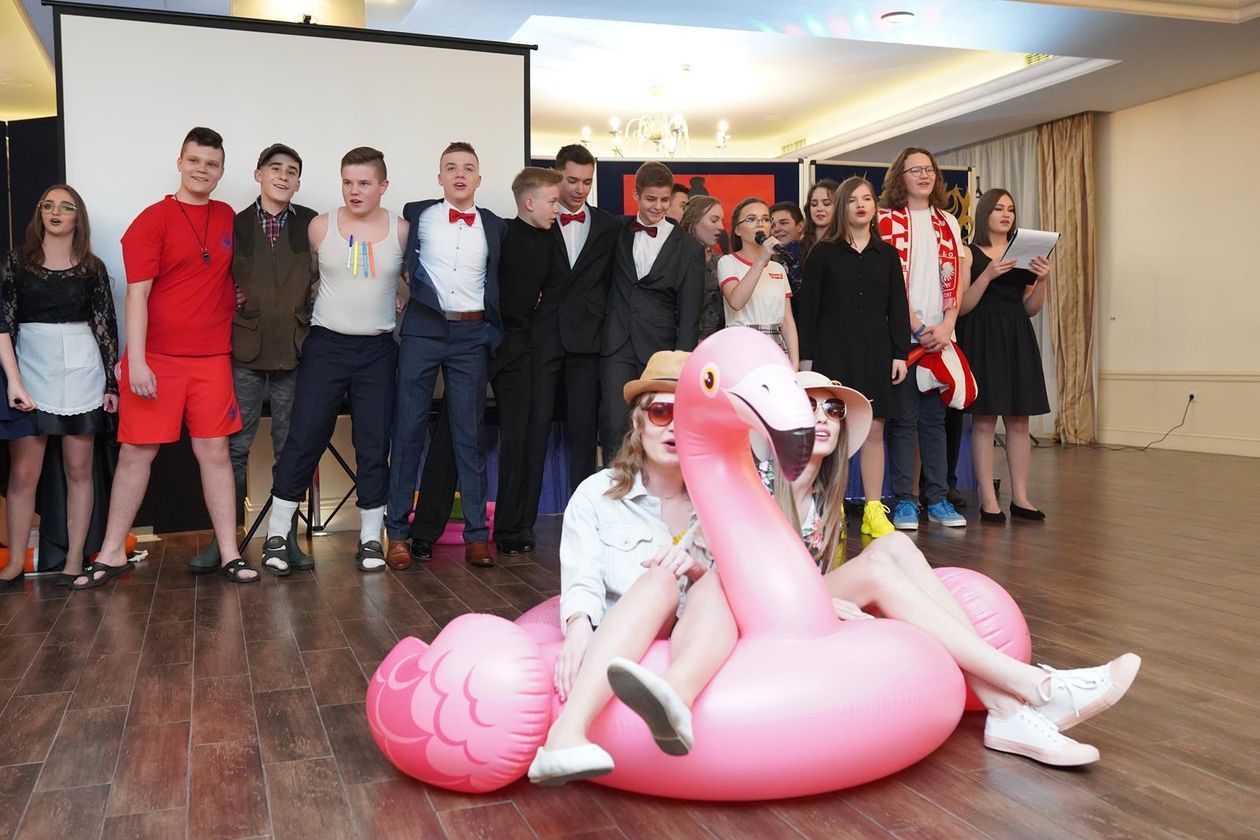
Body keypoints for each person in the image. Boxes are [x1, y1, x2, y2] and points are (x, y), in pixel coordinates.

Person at [770, 371, 1142, 767]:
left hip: (801, 602)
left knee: (895, 544)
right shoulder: (758, 484)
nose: (823, 416)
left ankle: (1008, 711)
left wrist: (824, 599)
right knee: (878, 565)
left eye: (833, 408)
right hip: (760, 612)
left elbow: (815, 573)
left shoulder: (825, 499)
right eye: (808, 406)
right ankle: (1037, 687)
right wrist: (820, 601)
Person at [527, 351, 736, 785]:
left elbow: (744, 590)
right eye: (661, 412)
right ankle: (565, 734)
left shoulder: (722, 502)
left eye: (689, 415)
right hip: (623, 632)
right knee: (660, 579)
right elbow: (581, 576)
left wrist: (698, 572)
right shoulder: (597, 495)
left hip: (694, 637)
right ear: (638, 422)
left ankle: (674, 695)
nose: (675, 426)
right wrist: (578, 627)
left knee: (714, 580)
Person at [71, 127, 254, 588]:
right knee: (137, 453)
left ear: (221, 171)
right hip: (157, 360)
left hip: (212, 360)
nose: (202, 170)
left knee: (215, 452)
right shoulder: (152, 220)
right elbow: (136, 294)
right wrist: (136, 361)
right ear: (179, 162)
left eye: (211, 164)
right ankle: (112, 552)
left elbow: (233, 275)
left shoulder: (228, 217)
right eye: (194, 161)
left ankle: (230, 553)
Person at [260, 147, 407, 574]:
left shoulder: (401, 230)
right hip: (325, 347)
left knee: (374, 444)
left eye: (364, 183)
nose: (354, 191)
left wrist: (400, 295)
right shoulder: (319, 226)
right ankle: (276, 535)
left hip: (377, 351)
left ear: (383, 186)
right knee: (304, 437)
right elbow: (302, 282)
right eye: (347, 182)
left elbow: (413, 283)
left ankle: (370, 539)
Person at [407, 167, 561, 559]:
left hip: (520, 346)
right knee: (451, 433)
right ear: (530, 202)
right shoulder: (499, 231)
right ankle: (424, 530)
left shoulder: (553, 239)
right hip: (482, 338)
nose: (558, 209)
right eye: (552, 201)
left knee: (519, 437)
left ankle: (510, 529)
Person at [190, 143, 317, 572]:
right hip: (244, 351)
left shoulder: (312, 224)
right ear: (259, 174)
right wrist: (230, 295)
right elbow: (209, 274)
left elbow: (329, 273)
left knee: (291, 449)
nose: (283, 176)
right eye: (275, 168)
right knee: (234, 448)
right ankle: (224, 541)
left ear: (298, 182)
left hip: (295, 352)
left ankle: (286, 538)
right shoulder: (234, 222)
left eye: (292, 171)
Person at [387, 142, 506, 569]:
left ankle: (476, 536)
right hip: (423, 328)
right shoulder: (417, 214)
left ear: (479, 178)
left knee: (469, 435)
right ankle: (396, 535)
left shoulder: (495, 226)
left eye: (468, 168)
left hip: (471, 333)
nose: (459, 174)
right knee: (407, 430)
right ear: (439, 177)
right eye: (451, 167)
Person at [1, 185, 118, 588]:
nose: (55, 212)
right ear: (39, 213)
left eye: (66, 207)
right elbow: (4, 324)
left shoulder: (93, 268)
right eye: (47, 205)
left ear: (77, 217)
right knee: (23, 473)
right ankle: (15, 562)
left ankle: (73, 559)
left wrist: (111, 383)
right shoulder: (16, 263)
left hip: (82, 372)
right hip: (30, 369)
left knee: (79, 470)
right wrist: (13, 380)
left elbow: (106, 328)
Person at [798, 176, 908, 538]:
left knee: (875, 428)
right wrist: (807, 361)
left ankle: (874, 509)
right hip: (834, 351)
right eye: (852, 200)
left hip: (876, 351)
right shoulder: (823, 253)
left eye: (867, 199)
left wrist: (900, 353)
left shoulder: (887, 254)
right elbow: (808, 311)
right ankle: (835, 507)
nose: (861, 205)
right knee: (836, 430)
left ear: (875, 206)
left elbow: (898, 307)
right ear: (842, 208)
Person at [878, 147, 970, 531]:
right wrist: (914, 326)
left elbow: (957, 278)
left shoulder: (947, 221)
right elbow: (886, 284)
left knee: (935, 421)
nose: (923, 175)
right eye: (914, 169)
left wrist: (948, 323)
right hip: (903, 338)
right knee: (903, 421)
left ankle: (938, 499)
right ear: (900, 176)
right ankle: (905, 501)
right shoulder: (885, 221)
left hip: (940, 336)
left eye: (929, 169)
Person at [957, 189, 1052, 523]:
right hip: (982, 334)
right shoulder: (969, 253)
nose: (1005, 214)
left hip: (1016, 334)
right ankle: (988, 499)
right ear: (985, 213)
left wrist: (1042, 281)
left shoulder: (1023, 252)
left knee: (1019, 419)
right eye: (998, 208)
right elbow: (962, 306)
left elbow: (1030, 308)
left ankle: (1021, 497)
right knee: (984, 420)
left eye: (1010, 209)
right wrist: (988, 275)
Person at [599, 162, 704, 462]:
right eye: (650, 199)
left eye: (664, 199)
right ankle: (616, 487)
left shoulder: (689, 248)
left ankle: (653, 488)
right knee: (614, 424)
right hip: (616, 343)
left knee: (658, 425)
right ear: (636, 195)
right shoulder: (616, 231)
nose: (658, 206)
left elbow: (690, 314)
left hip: (661, 350)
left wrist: (680, 363)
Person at [717, 198, 798, 367]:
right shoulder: (728, 262)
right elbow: (736, 301)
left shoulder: (777, 268)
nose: (760, 224)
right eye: (751, 219)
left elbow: (787, 321)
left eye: (766, 219)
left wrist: (794, 363)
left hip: (775, 344)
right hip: (741, 343)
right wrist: (762, 260)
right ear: (737, 230)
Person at [678, 196, 725, 341]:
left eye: (721, 221)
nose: (721, 227)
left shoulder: (721, 263)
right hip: (679, 343)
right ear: (693, 220)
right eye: (714, 220)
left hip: (717, 344)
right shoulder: (672, 261)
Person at [770, 200, 806, 315]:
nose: (777, 229)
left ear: (800, 226)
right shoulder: (765, 259)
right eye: (772, 225)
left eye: (784, 223)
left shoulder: (812, 256)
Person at [798, 178, 839, 262]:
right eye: (814, 204)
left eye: (826, 204)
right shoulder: (796, 249)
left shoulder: (848, 246)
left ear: (839, 207)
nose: (819, 209)